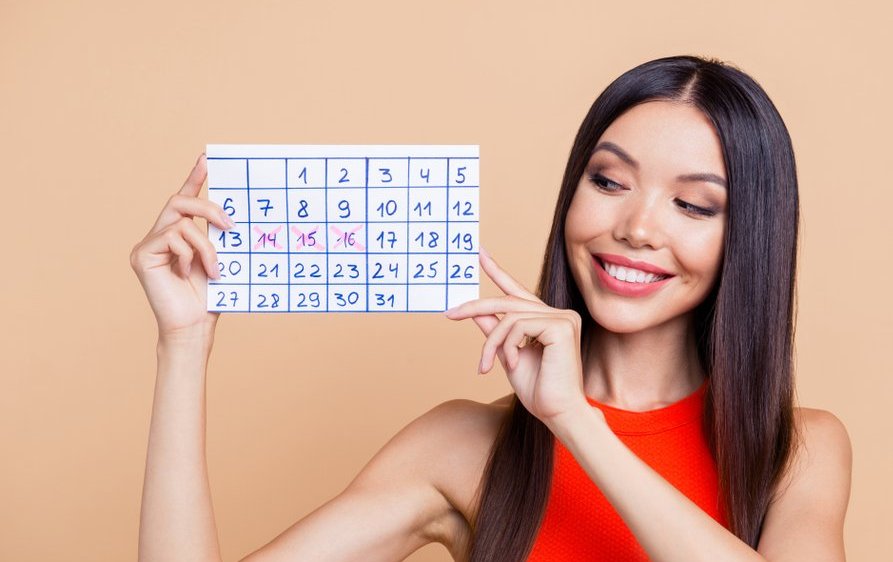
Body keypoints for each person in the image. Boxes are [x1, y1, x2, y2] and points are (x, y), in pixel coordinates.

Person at [132, 55, 852, 562]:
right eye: (608, 182)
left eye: (693, 204)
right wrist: (183, 343)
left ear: (748, 237)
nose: (637, 227)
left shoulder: (800, 452)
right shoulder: (461, 448)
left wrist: (576, 422)